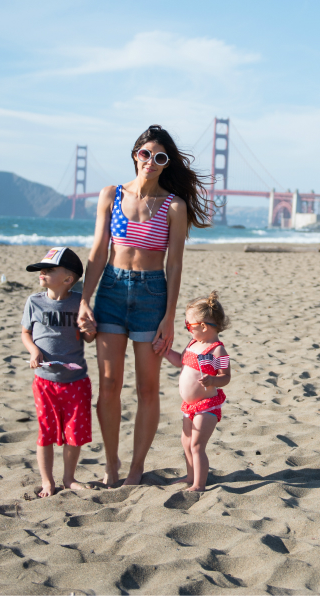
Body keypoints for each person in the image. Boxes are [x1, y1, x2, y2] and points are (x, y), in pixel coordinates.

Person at [78, 125, 211, 487]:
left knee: (147, 389)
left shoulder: (174, 206)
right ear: (135, 154)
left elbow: (175, 265)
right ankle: (111, 466)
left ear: (167, 164)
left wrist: (170, 318)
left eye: (160, 157)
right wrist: (84, 301)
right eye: (145, 154)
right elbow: (97, 253)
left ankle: (136, 468)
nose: (151, 162)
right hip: (111, 291)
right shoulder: (111, 194)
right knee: (108, 384)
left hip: (152, 296)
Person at [20, 247, 94, 498]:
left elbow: (89, 337)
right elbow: (25, 333)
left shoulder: (79, 302)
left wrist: (90, 328)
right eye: (41, 269)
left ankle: (69, 478)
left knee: (74, 434)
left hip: (76, 381)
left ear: (68, 278)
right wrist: (33, 352)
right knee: (46, 433)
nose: (42, 272)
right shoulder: (34, 301)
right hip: (44, 381)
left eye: (49, 269)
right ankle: (47, 481)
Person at [163, 292, 232, 492]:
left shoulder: (218, 350)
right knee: (185, 442)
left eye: (189, 326)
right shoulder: (192, 344)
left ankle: (199, 484)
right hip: (189, 406)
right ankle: (191, 476)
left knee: (197, 445)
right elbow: (180, 361)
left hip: (207, 406)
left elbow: (226, 376)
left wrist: (213, 379)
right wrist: (167, 352)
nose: (188, 330)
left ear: (203, 326)